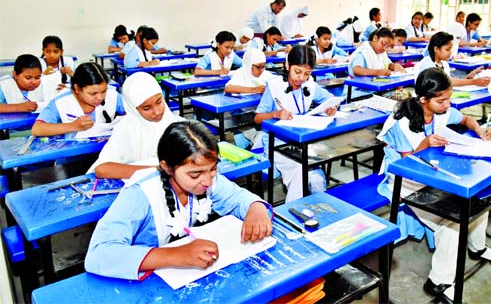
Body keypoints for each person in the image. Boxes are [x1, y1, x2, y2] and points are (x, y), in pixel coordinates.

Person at [376, 68, 491, 303]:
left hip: (435, 174)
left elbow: (467, 119)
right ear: (423, 100)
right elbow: (407, 164)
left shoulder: (441, 111)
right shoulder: (401, 123)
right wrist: (426, 142)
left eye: (449, 98)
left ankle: (477, 248)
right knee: (453, 222)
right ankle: (439, 280)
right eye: (441, 100)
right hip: (406, 182)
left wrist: (479, 130)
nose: (447, 104)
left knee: (478, 200)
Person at [85, 120, 272, 280]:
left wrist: (256, 209)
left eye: (213, 169)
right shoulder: (140, 194)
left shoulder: (206, 178)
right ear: (167, 167)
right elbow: (99, 254)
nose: (207, 180)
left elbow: (239, 198)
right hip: (145, 279)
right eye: (195, 174)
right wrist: (176, 255)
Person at [254, 45, 336, 202]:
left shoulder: (309, 84)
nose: (301, 78)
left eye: (307, 73)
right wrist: (276, 114)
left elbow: (330, 99)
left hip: (303, 144)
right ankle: (290, 217)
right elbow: (257, 118)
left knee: (317, 180)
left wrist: (331, 107)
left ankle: (321, 212)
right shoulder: (274, 86)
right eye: (297, 72)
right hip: (278, 145)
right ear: (287, 66)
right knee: (301, 171)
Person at [88, 72, 181, 179]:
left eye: (159, 101)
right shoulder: (126, 129)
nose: (157, 111)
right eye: (146, 108)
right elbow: (102, 169)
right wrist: (156, 170)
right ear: (132, 108)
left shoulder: (174, 124)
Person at [31, 62, 125, 138]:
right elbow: (37, 129)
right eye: (93, 94)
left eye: (104, 91)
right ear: (77, 89)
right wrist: (72, 126)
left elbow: (133, 114)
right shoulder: (61, 102)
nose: (100, 97)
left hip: (106, 151)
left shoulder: (113, 96)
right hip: (73, 157)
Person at [416, 31, 489, 87]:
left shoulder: (444, 64)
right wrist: (474, 82)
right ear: (436, 49)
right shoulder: (427, 63)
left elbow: (449, 81)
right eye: (447, 50)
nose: (450, 53)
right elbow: (447, 82)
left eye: (451, 49)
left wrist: (471, 75)